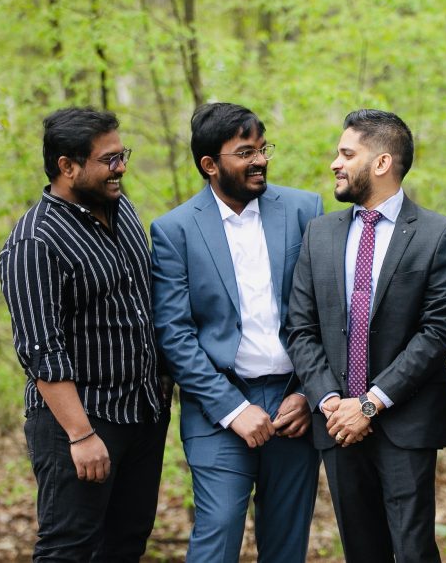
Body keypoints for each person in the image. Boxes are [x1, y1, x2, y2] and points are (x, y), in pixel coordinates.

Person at [285, 109, 446, 563]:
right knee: (361, 551)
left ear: (382, 163)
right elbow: (300, 328)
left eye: (347, 153)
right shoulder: (319, 234)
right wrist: (330, 401)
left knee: (412, 551)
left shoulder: (438, 234)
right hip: (337, 425)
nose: (335, 163)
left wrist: (371, 402)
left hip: (406, 420)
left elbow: (439, 332)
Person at [150, 102, 322, 562]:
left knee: (287, 545)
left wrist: (310, 393)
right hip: (217, 409)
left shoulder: (306, 209)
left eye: (263, 148)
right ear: (210, 165)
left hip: (294, 406)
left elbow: (328, 314)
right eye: (245, 152)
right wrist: (232, 408)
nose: (260, 159)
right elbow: (174, 334)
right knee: (218, 534)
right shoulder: (174, 231)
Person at [0, 107, 169, 561]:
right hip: (82, 422)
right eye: (109, 159)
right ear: (67, 166)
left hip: (142, 413)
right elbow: (40, 348)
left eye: (123, 154)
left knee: (126, 543)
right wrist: (80, 435)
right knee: (68, 548)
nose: (122, 168)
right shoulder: (35, 242)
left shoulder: (120, 205)